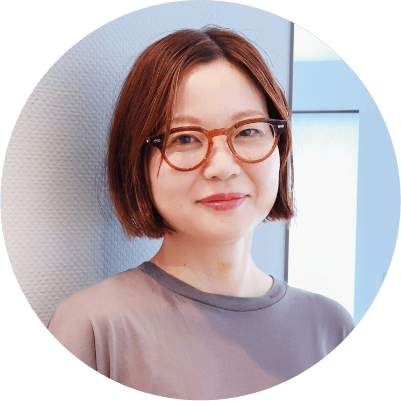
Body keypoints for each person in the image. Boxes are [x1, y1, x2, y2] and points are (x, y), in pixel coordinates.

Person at [47, 25, 355, 398]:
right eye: (185, 138)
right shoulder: (95, 329)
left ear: (280, 146)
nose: (222, 167)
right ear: (137, 160)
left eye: (248, 131)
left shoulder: (330, 328)